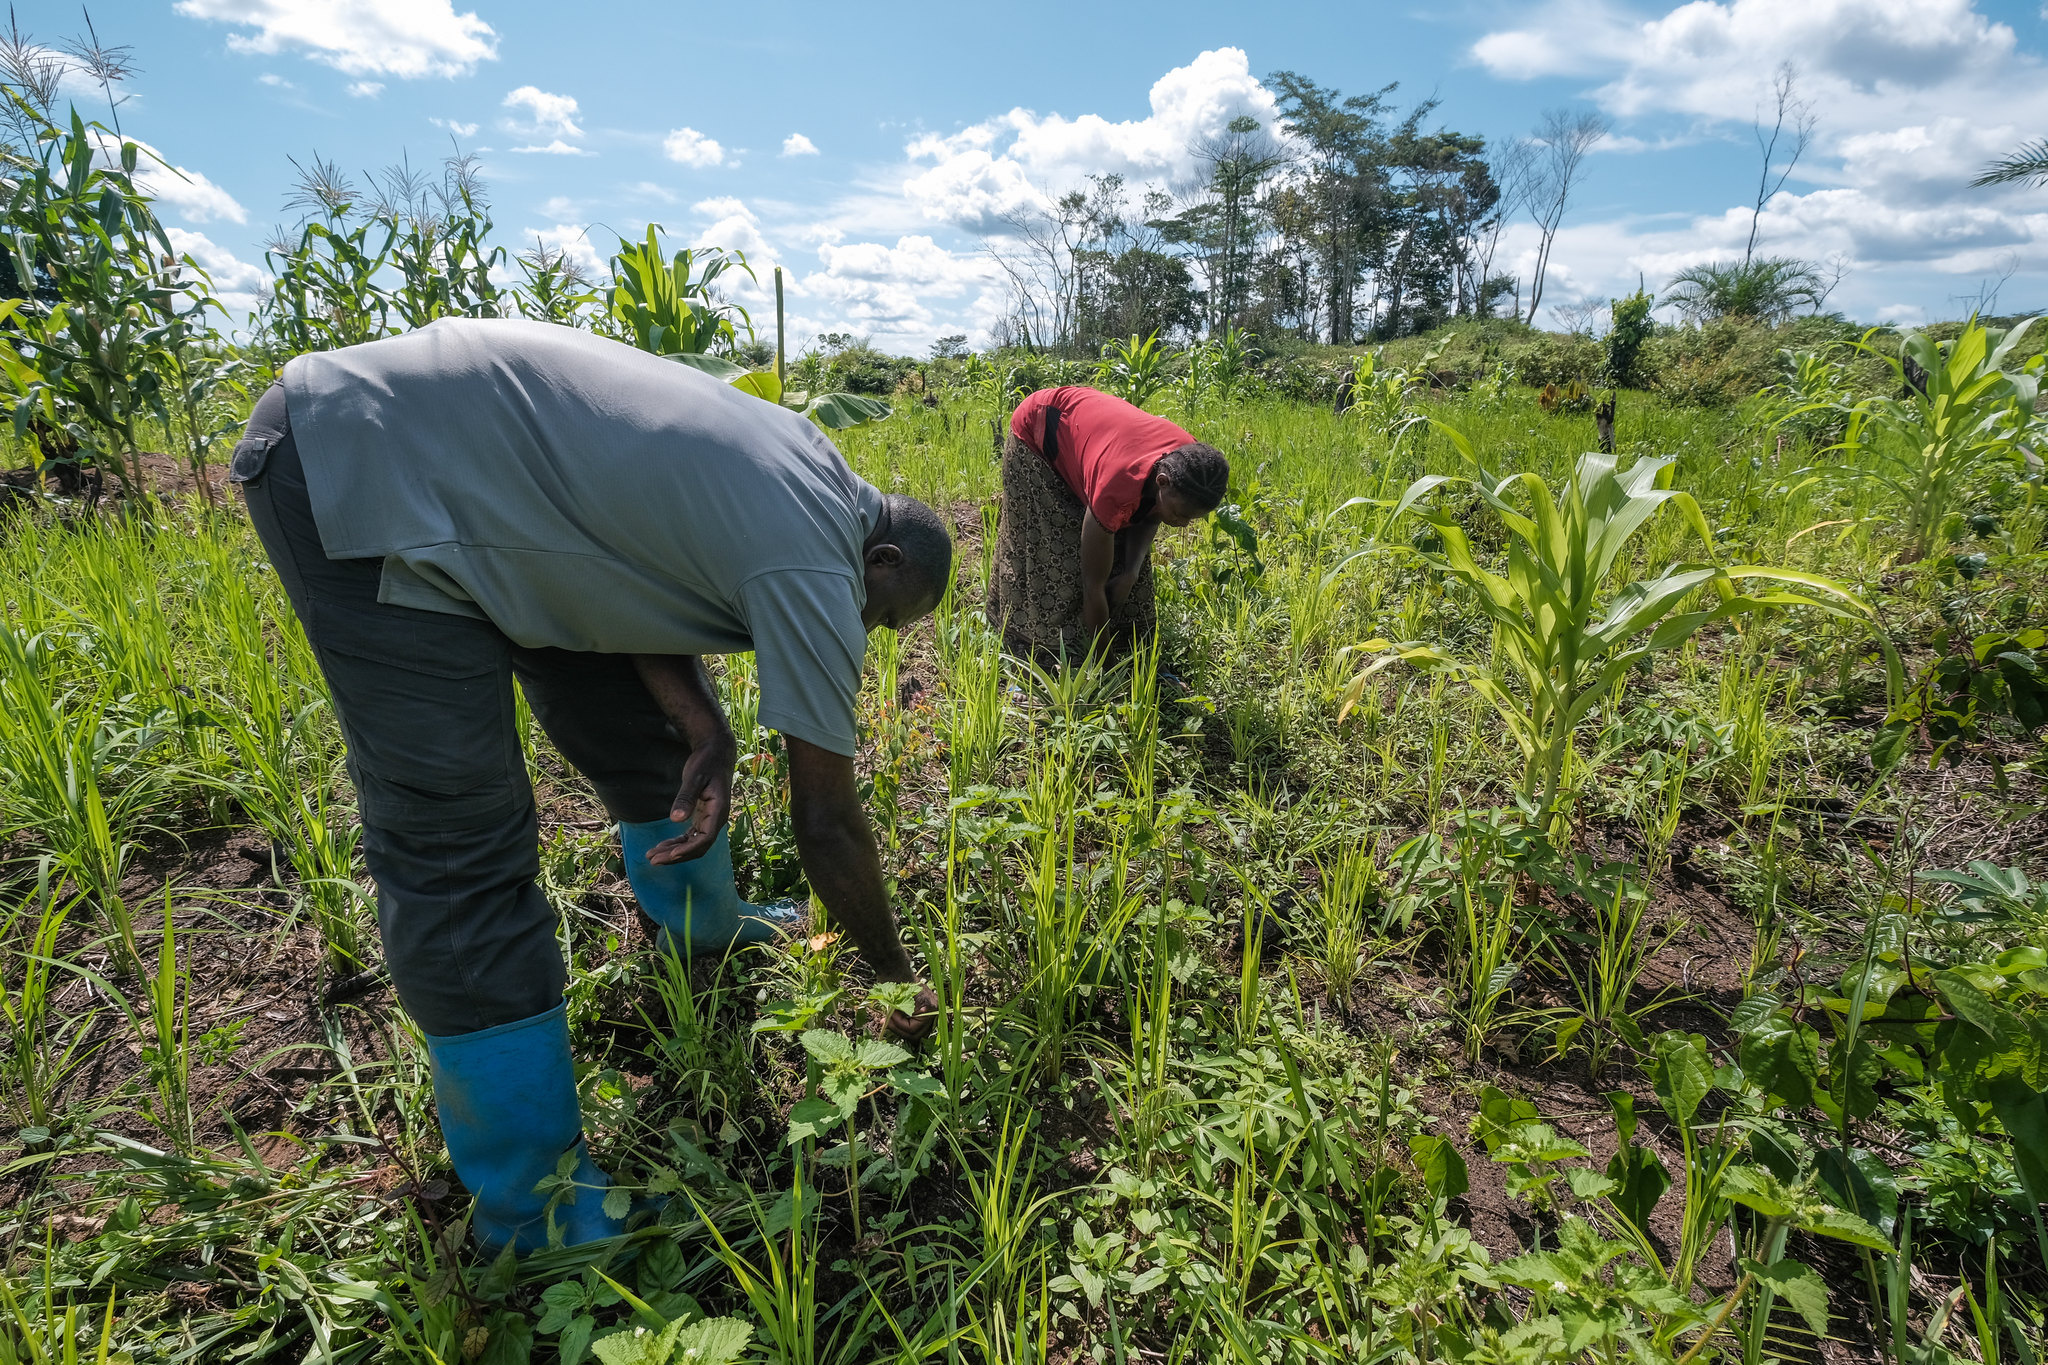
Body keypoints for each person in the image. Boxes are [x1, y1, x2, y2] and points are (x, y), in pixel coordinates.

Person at [229, 317, 953, 1255]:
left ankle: (701, 923)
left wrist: (704, 722)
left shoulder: (812, 467)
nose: (870, 633)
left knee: (657, 741)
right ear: (882, 562)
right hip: (365, 469)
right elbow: (825, 819)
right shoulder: (818, 554)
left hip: (500, 488)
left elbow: (630, 554)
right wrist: (896, 977)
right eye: (883, 618)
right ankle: (536, 1210)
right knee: (461, 841)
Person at [987, 386, 1228, 662]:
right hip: (1040, 431)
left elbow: (1149, 515)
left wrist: (1131, 573)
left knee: (1124, 559)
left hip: (1096, 440)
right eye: (1181, 514)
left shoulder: (1191, 467)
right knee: (1056, 557)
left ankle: (1130, 649)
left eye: (1192, 519)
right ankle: (1044, 656)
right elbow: (1094, 588)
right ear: (1162, 482)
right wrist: (1108, 667)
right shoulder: (1117, 488)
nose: (1184, 524)